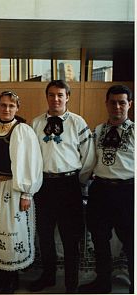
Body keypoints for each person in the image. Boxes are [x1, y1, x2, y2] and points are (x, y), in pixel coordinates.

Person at [29, 80, 95, 293]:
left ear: (68, 97)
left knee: (70, 238)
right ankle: (48, 277)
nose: (55, 99)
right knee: (45, 235)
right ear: (46, 97)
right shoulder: (36, 123)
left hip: (69, 186)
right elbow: (31, 157)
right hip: (44, 186)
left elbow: (88, 158)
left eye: (60, 95)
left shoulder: (77, 122)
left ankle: (71, 284)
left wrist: (79, 182)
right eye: (51, 95)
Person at [78, 85, 134, 294]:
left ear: (130, 104)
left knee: (131, 242)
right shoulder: (98, 130)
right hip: (100, 190)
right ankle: (103, 283)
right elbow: (90, 162)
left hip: (128, 192)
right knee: (100, 240)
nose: (117, 106)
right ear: (106, 104)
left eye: (122, 102)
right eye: (113, 102)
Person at [0, 91, 43, 293]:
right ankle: (1, 275)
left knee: (12, 232)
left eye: (11, 105)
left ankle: (13, 277)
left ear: (17, 108)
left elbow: (31, 162)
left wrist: (27, 193)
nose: (7, 109)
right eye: (3, 105)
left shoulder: (23, 130)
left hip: (15, 189)